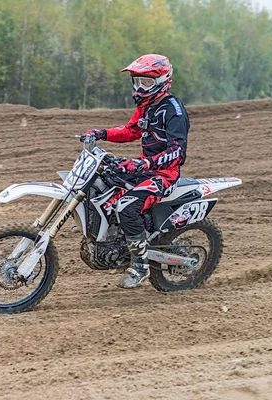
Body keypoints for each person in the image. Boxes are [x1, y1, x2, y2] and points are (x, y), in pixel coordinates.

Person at [83, 54, 190, 289]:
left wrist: (147, 164)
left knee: (126, 206)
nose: (140, 88)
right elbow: (130, 131)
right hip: (145, 169)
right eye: (137, 82)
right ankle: (115, 242)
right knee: (103, 183)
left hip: (164, 175)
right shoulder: (147, 107)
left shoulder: (174, 111)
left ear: (163, 81)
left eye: (147, 83)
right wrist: (102, 133)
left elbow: (178, 152)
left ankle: (140, 265)